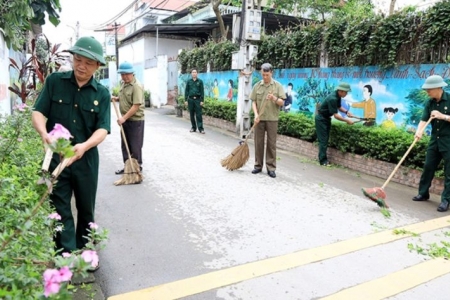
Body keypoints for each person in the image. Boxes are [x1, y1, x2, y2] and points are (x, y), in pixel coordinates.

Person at [32, 36, 111, 255]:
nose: (81, 66)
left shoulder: (102, 94)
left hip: (85, 159)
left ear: (97, 66)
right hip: (58, 158)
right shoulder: (55, 82)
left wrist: (85, 145)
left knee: (86, 208)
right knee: (60, 208)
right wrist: (43, 133)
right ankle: (65, 255)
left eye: (88, 62)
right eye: (78, 59)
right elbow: (38, 112)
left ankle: (86, 252)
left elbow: (103, 128)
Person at [412, 75, 450, 212]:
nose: (427, 91)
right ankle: (423, 193)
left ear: (439, 87)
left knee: (449, 172)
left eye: (429, 89)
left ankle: (446, 200)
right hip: (435, 140)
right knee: (428, 166)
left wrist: (443, 116)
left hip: (448, 142)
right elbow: (423, 119)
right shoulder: (430, 102)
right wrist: (419, 131)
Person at [250, 63, 286, 178]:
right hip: (259, 119)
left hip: (272, 119)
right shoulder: (257, 86)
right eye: (263, 75)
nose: (265, 77)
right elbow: (253, 101)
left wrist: (274, 98)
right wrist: (256, 114)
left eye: (267, 75)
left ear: (271, 73)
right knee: (258, 143)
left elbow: (282, 102)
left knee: (271, 144)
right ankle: (258, 165)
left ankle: (271, 168)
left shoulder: (277, 86)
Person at [112, 62, 145, 175]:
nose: (124, 76)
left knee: (135, 146)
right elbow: (124, 97)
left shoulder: (136, 86)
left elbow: (136, 105)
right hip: (125, 120)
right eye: (122, 74)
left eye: (126, 74)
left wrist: (124, 118)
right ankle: (127, 166)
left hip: (135, 120)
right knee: (125, 145)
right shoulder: (124, 84)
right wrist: (116, 98)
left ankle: (136, 167)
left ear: (132, 73)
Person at [315, 82, 355, 166]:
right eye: (346, 92)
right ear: (341, 91)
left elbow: (339, 107)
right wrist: (347, 120)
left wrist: (347, 112)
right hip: (321, 119)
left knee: (325, 139)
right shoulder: (332, 98)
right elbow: (336, 116)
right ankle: (323, 161)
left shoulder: (338, 96)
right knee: (323, 140)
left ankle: (323, 159)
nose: (347, 93)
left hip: (326, 118)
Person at [184, 69, 205, 134]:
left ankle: (201, 128)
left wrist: (202, 100)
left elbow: (202, 91)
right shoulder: (189, 81)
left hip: (198, 100)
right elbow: (186, 91)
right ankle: (193, 127)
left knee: (199, 114)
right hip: (190, 100)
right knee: (191, 114)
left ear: (197, 73)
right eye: (193, 72)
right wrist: (185, 100)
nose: (194, 73)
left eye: (195, 72)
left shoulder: (200, 81)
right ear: (191, 73)